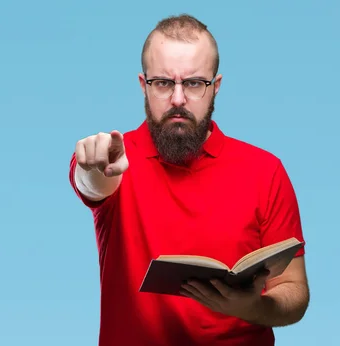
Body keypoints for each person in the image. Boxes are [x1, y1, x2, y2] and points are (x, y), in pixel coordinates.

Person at [68, 14, 310, 346]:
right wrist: (93, 166)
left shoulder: (266, 171)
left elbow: (294, 293)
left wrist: (253, 307)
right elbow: (92, 183)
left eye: (194, 83)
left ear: (216, 87)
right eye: (164, 83)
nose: (178, 99)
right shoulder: (114, 156)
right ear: (144, 85)